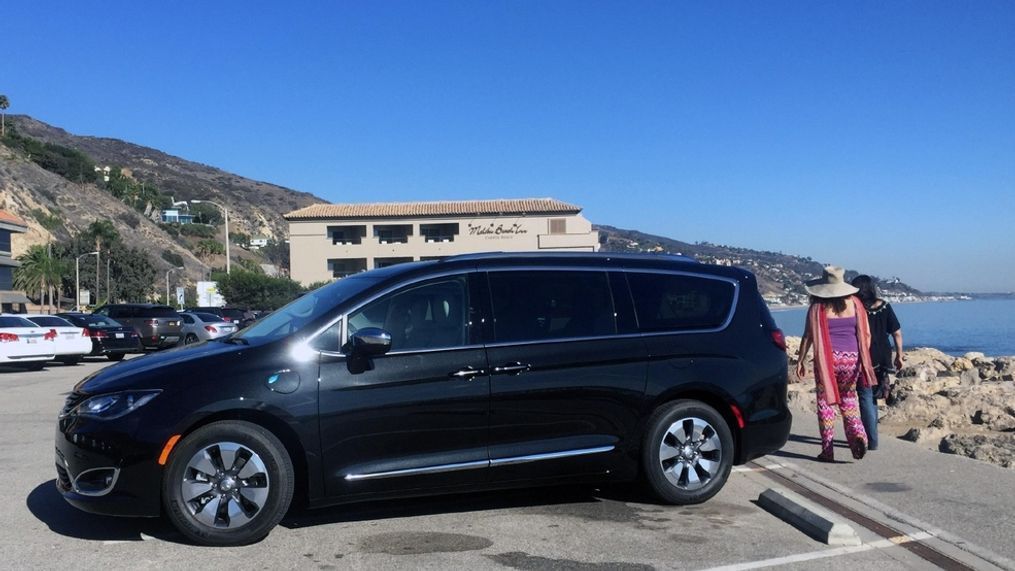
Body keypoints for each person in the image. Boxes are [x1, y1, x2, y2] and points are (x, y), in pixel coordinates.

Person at [795, 266, 876, 462]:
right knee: (849, 400)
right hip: (853, 359)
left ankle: (828, 450)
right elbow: (866, 334)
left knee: (825, 403)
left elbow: (808, 336)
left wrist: (801, 360)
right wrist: (860, 358)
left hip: (827, 360)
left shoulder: (817, 308)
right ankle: (857, 434)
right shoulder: (856, 303)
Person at [850, 275, 904, 451]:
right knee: (873, 396)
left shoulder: (855, 308)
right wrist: (899, 356)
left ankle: (872, 440)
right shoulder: (884, 306)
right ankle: (872, 437)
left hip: (864, 355)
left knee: (865, 396)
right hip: (883, 355)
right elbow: (896, 333)